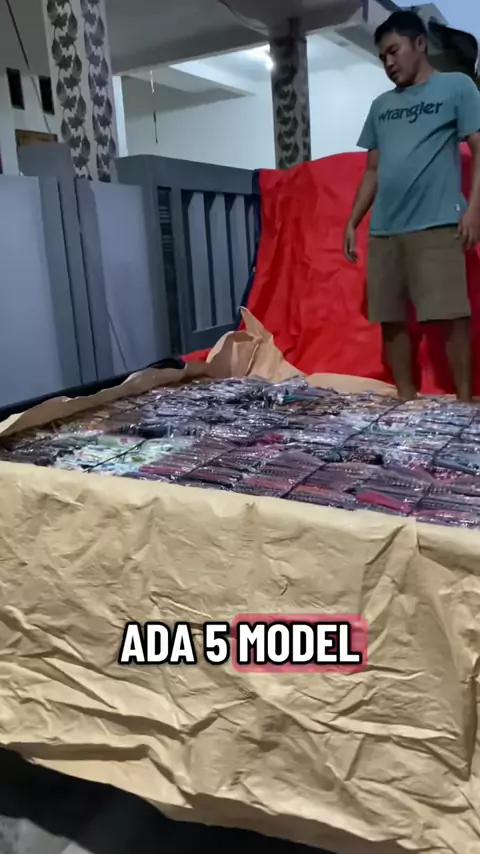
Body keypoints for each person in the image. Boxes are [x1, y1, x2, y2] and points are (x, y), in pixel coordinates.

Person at [344, 10, 480, 401]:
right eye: (382, 56)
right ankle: (406, 401)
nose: (388, 62)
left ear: (419, 44)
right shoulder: (381, 106)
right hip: (385, 230)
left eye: (394, 51)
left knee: (451, 318)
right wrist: (352, 221)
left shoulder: (457, 87)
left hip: (438, 224)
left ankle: (465, 404)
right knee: (390, 320)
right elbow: (372, 170)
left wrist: (474, 210)